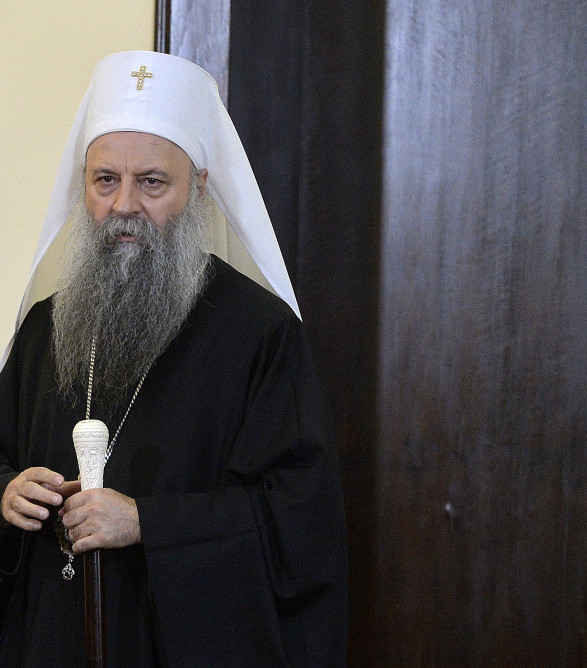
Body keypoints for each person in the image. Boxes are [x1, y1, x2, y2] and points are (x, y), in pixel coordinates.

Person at [0, 51, 347, 666]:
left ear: (199, 189)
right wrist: (7, 491)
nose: (124, 205)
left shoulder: (261, 336)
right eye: (105, 180)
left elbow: (299, 523)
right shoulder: (45, 329)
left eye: (152, 182)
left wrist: (147, 523)